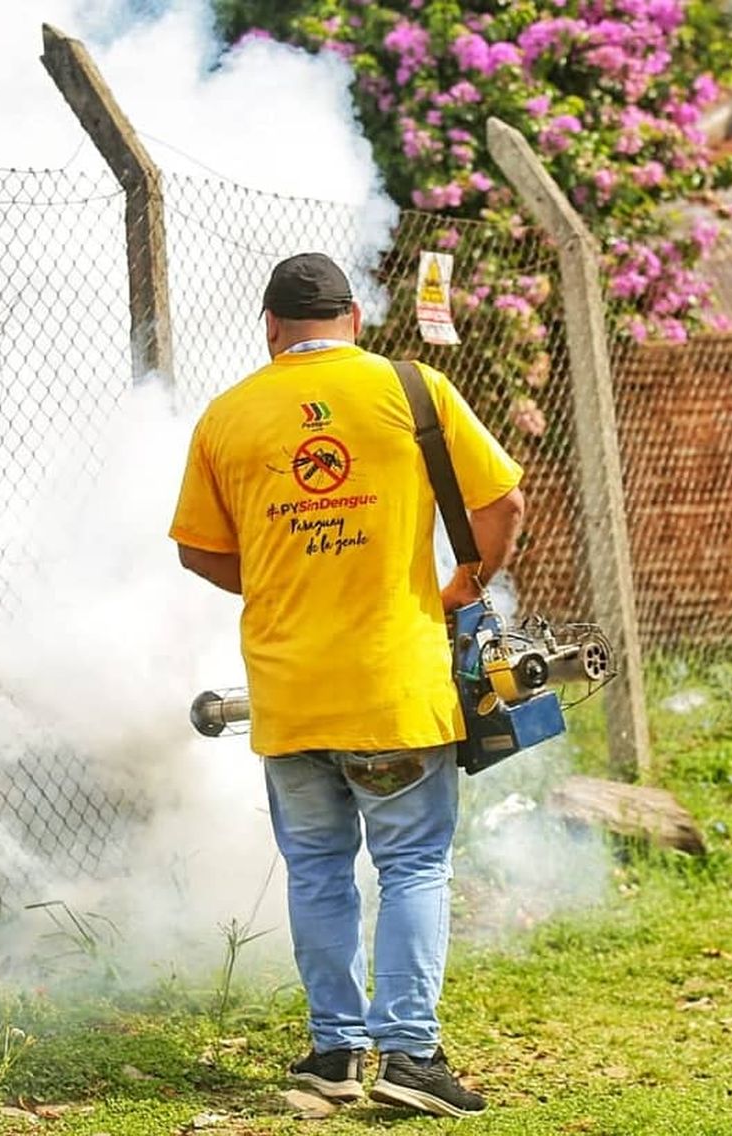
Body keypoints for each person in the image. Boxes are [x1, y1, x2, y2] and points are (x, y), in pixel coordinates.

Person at [169, 252, 525, 1118]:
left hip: (289, 694)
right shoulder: (414, 390)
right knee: (411, 865)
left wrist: (291, 577)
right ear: (355, 319)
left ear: (271, 327)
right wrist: (461, 589)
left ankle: (334, 1053)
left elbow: (198, 550)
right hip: (392, 689)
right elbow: (504, 502)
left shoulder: (227, 416)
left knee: (318, 871)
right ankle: (410, 1055)